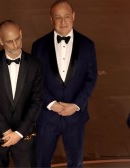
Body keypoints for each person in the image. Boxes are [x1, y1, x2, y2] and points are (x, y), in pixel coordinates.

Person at [31, 0, 98, 167]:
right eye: (58, 17)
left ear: (74, 17)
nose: (63, 22)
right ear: (51, 19)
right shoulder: (38, 46)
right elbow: (35, 80)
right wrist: (51, 103)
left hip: (75, 116)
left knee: (75, 163)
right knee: (40, 162)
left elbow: (91, 78)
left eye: (67, 16)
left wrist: (76, 105)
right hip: (47, 117)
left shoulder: (87, 45)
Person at [0, 20, 43, 167]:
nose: (15, 45)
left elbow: (37, 101)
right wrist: (6, 131)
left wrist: (19, 133)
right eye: (9, 42)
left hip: (24, 136)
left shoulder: (35, 64)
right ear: (0, 41)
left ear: (21, 33)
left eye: (17, 39)